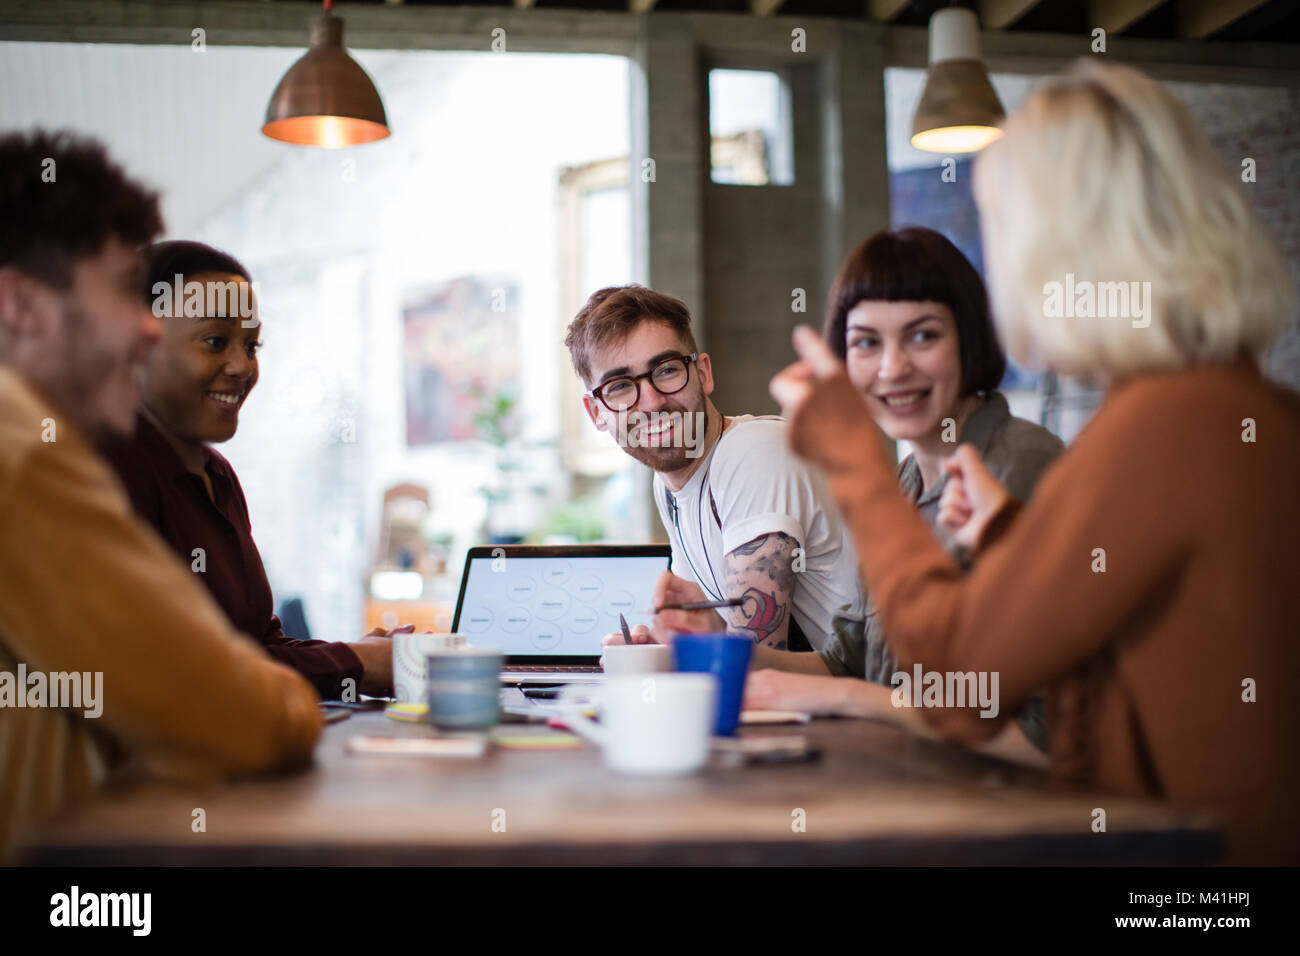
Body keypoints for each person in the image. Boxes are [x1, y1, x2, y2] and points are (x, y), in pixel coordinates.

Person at [768, 61, 1300, 864]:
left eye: (1002, 228)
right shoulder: (1234, 406)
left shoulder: (1164, 424)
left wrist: (852, 461)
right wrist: (1018, 533)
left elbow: (962, 685)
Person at [0, 130, 321, 858]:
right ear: (23, 305)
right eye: (122, 292)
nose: (150, 328)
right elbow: (230, 712)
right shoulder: (23, 448)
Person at [744, 228, 1063, 765]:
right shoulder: (906, 479)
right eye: (867, 342)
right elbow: (850, 661)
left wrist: (842, 698)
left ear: (969, 339)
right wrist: (719, 647)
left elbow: (1045, 732)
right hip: (910, 784)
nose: (893, 368)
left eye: (922, 336)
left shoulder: (1021, 464)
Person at [101, 241, 400, 700]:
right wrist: (357, 663)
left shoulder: (216, 474)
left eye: (251, 344)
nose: (243, 367)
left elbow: (256, 645)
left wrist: (356, 655)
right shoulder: (111, 471)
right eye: (215, 342)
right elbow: (179, 667)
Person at [565, 285, 865, 674]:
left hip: (891, 709)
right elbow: (723, 635)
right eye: (621, 386)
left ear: (703, 373)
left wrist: (682, 656)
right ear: (596, 413)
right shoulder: (670, 487)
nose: (652, 402)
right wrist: (660, 647)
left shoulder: (754, 452)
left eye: (667, 370)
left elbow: (747, 667)